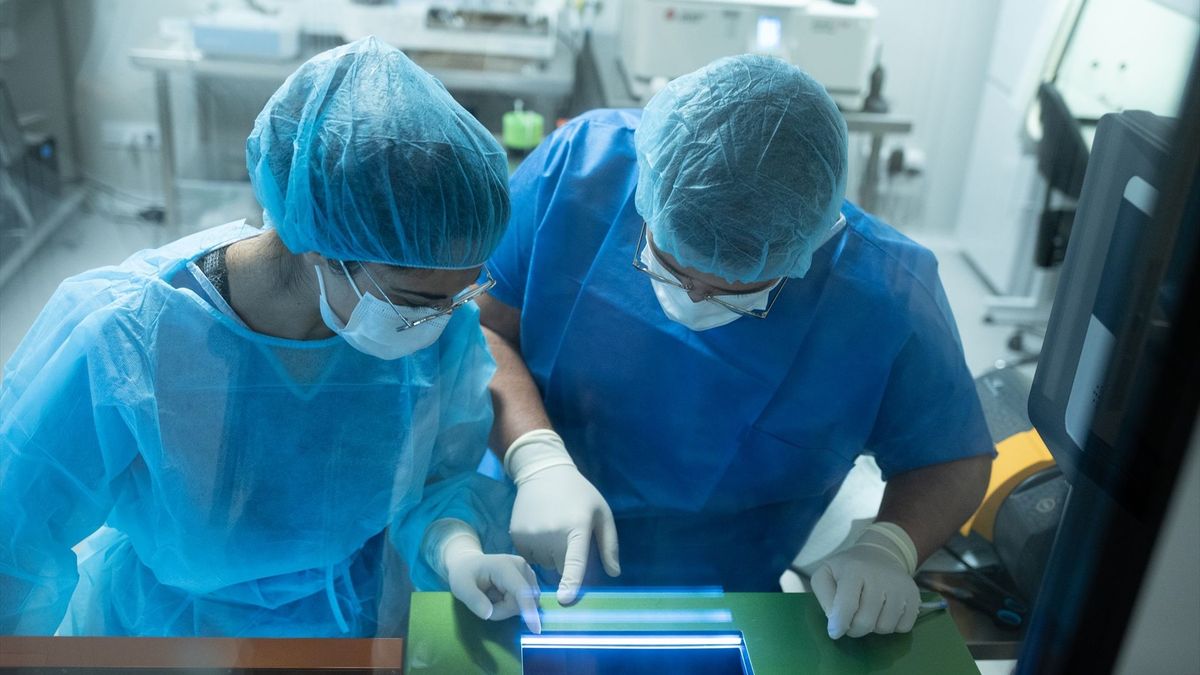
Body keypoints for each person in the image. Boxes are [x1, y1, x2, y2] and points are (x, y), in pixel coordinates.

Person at [0, 37, 539, 637]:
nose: (443, 319)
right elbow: (13, 544)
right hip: (165, 634)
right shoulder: (127, 340)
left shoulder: (429, 325)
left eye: (459, 294)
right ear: (322, 245)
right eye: (415, 300)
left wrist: (456, 548)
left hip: (349, 623)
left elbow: (436, 483)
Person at [479, 54, 995, 639]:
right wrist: (537, 459)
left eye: (733, 295)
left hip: (728, 596)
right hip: (521, 549)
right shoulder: (578, 172)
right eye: (669, 270)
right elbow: (484, 328)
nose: (693, 297)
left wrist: (889, 546)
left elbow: (951, 455)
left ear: (807, 247)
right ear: (645, 199)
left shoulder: (884, 294)